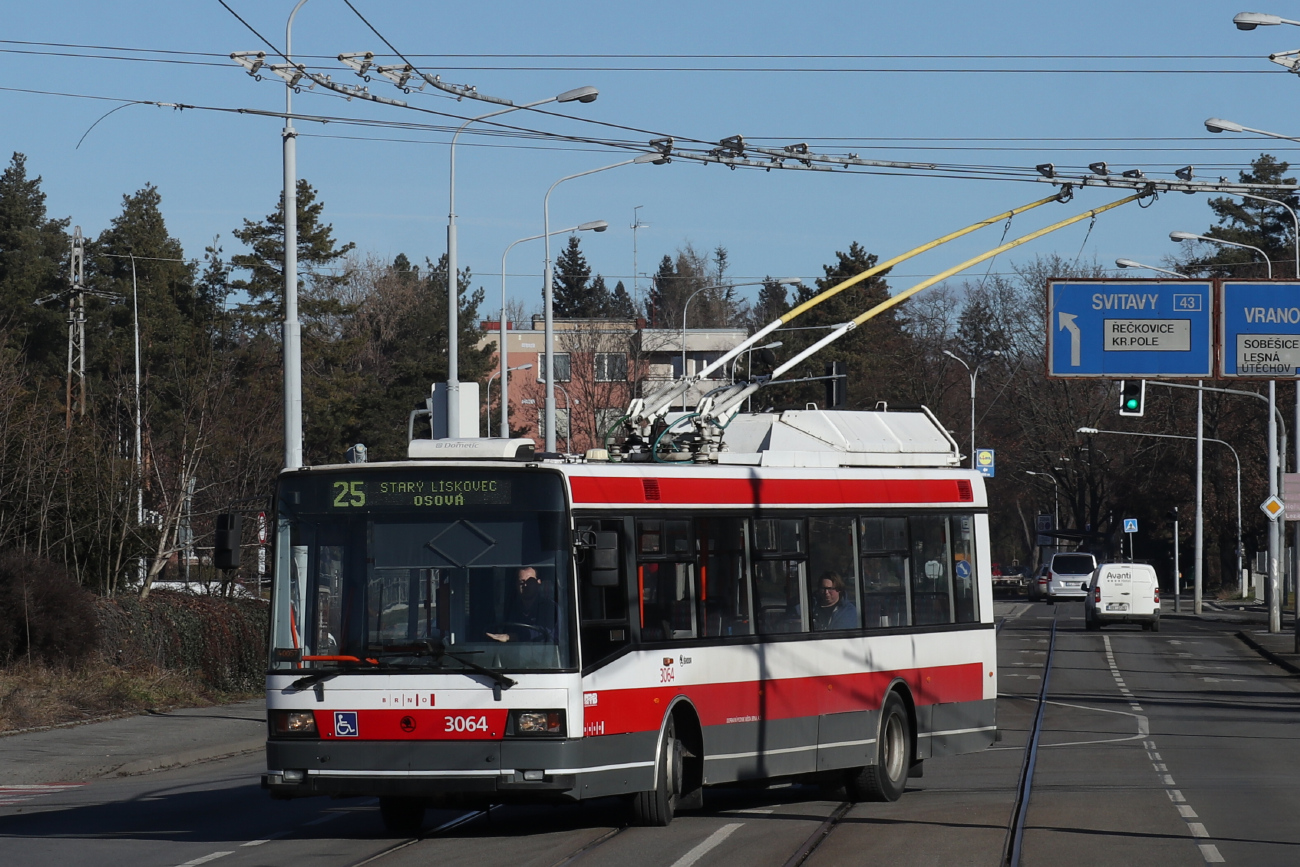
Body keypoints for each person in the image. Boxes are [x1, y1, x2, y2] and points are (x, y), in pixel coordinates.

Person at [487, 567, 557, 642]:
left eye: (529, 581)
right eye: (521, 582)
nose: (525, 585)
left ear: (538, 583)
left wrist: (512, 637)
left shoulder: (551, 609)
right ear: (516, 585)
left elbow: (549, 634)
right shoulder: (510, 609)